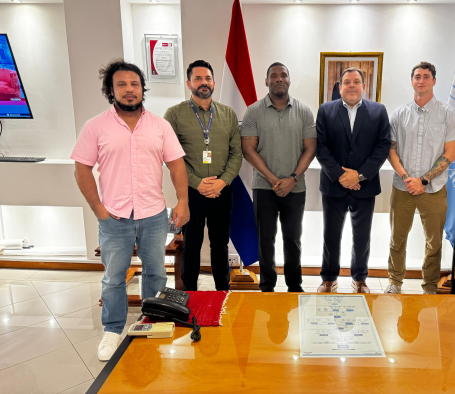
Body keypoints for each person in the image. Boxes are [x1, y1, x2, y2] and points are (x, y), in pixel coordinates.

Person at [71, 59, 189, 361]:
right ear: (111, 91)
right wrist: (98, 209)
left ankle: (152, 322)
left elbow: (176, 165)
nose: (129, 90)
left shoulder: (160, 126)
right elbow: (82, 169)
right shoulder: (95, 126)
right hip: (114, 218)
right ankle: (112, 330)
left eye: (134, 84)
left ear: (142, 89)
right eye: (121, 85)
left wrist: (183, 202)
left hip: (153, 215)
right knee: (113, 278)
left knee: (156, 273)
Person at [385, 61, 455, 295]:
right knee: (397, 238)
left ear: (434, 81)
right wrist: (408, 178)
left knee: (434, 242)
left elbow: (450, 154)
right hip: (403, 187)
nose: (421, 80)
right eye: (417, 76)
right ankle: (395, 282)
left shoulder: (448, 114)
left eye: (426, 76)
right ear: (412, 81)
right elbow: (391, 150)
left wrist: (425, 180)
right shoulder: (399, 114)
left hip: (434, 189)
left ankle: (429, 286)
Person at [164, 60, 242, 292]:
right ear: (189, 83)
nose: (203, 83)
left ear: (214, 83)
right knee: (192, 246)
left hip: (222, 190)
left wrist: (222, 181)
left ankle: (222, 293)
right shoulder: (175, 114)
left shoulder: (228, 114)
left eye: (207, 78)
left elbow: (236, 154)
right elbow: (171, 157)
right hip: (191, 193)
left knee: (220, 246)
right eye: (198, 78)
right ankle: (190, 296)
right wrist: (198, 183)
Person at [241, 62, 317, 292]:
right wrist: (274, 179)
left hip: (295, 188)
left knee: (293, 240)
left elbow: (310, 148)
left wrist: (292, 178)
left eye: (283, 75)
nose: (279, 79)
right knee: (266, 241)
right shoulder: (253, 111)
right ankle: (267, 286)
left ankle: (294, 286)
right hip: (264, 188)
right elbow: (248, 149)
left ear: (289, 80)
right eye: (273, 76)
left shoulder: (304, 111)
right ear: (266, 81)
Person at [315, 67, 390, 293]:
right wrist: (341, 176)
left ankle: (360, 278)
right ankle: (329, 278)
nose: (351, 85)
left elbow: (383, 146)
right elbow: (320, 147)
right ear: (340, 87)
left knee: (362, 236)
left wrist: (359, 175)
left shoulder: (378, 111)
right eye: (347, 82)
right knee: (331, 234)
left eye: (356, 81)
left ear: (363, 87)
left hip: (365, 186)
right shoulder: (325, 110)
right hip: (333, 186)